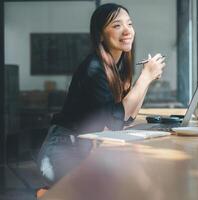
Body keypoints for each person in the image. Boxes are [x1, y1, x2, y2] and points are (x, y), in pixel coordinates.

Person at [37, 3, 166, 184]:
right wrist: (145, 77)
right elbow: (114, 122)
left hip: (82, 147)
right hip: (61, 152)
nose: (127, 30)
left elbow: (127, 117)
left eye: (129, 24)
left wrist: (147, 80)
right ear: (101, 35)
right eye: (116, 25)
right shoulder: (94, 68)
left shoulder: (116, 67)